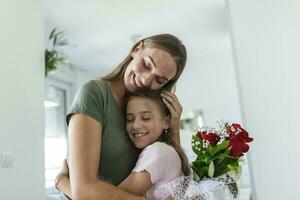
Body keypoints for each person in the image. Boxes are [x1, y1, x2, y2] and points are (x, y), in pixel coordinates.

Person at [57, 34, 187, 200]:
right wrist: (62, 182)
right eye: (146, 65)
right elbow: (83, 192)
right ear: (136, 49)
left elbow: (170, 176)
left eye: (159, 80)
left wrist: (173, 129)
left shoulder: (151, 121)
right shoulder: (94, 94)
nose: (147, 80)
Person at [56, 89, 191, 200]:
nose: (136, 125)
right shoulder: (168, 151)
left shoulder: (159, 152)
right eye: (130, 119)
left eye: (146, 118)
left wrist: (61, 182)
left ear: (166, 122)